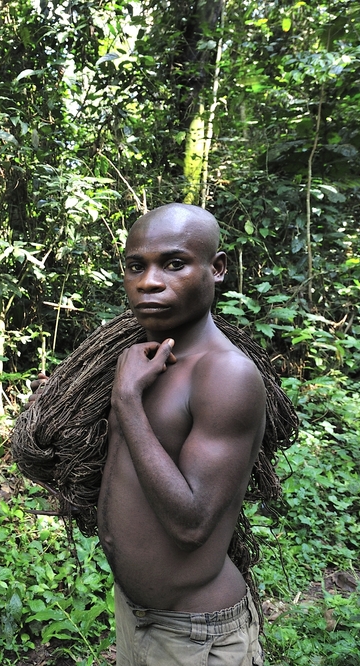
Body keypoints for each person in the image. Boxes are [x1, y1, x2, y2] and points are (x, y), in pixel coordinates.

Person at [94, 203, 266, 665]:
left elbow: (191, 524)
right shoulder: (142, 361)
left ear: (217, 268)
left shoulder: (224, 374)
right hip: (138, 615)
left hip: (195, 634)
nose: (148, 281)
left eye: (174, 264)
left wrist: (127, 403)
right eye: (135, 266)